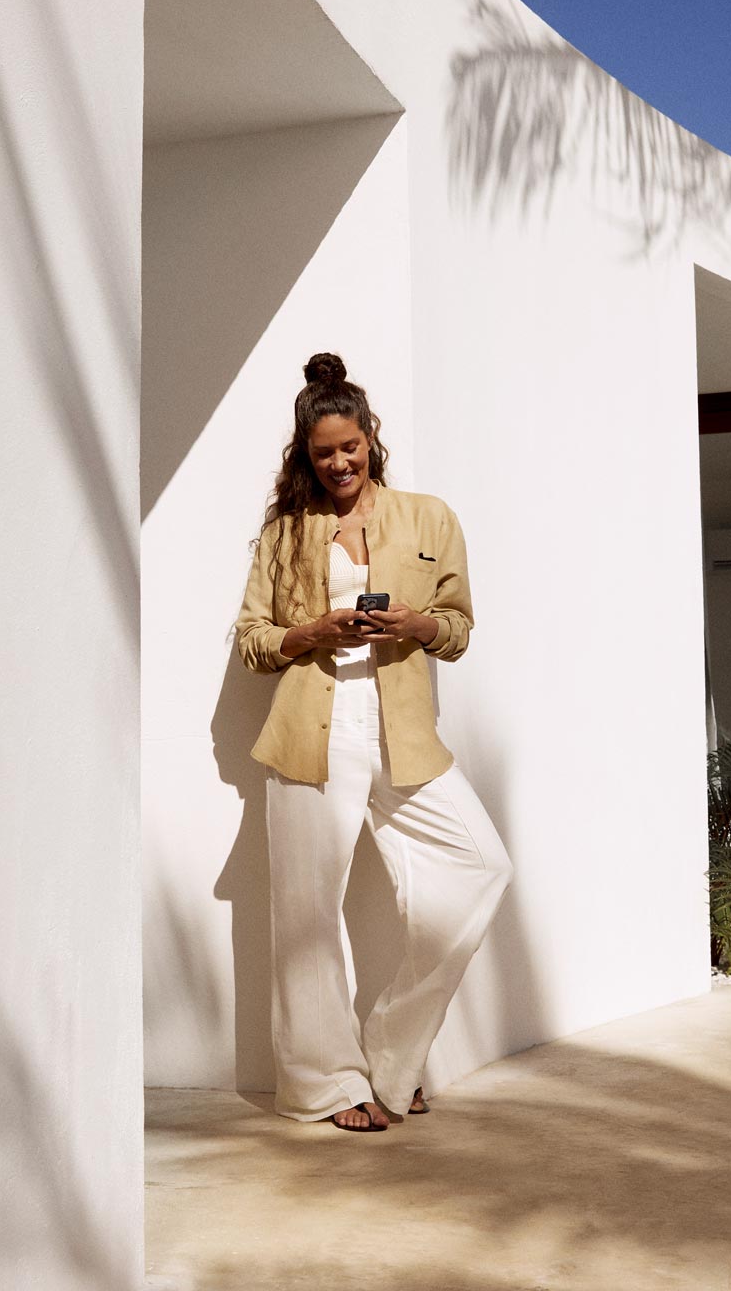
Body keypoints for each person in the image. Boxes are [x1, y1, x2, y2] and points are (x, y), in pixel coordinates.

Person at [234, 352, 513, 1133]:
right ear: (306, 453)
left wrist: (417, 626)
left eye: (349, 447)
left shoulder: (429, 518)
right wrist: (312, 632)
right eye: (323, 454)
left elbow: (456, 628)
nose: (339, 464)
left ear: (369, 435)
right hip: (310, 733)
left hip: (403, 729)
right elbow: (253, 639)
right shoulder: (286, 535)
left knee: (481, 866)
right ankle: (325, 1084)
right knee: (306, 918)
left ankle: (393, 1054)